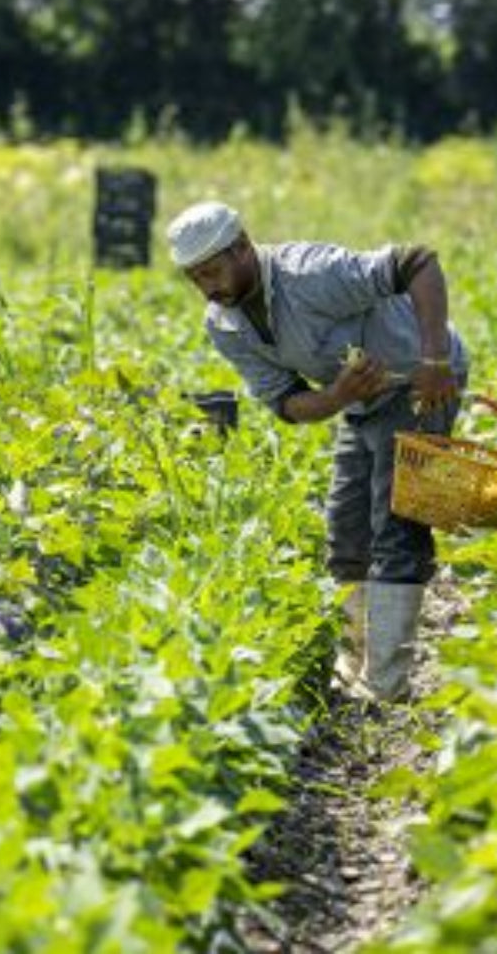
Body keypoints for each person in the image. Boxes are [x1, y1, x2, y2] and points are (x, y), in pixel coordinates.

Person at [168, 201, 468, 703]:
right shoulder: (224, 323)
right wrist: (339, 396)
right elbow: (287, 403)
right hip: (361, 400)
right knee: (345, 533)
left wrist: (435, 358)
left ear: (242, 247)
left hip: (420, 382)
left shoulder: (311, 274)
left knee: (397, 522)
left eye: (213, 271)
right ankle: (354, 663)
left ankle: (387, 681)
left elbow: (418, 261)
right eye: (195, 278)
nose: (208, 287)